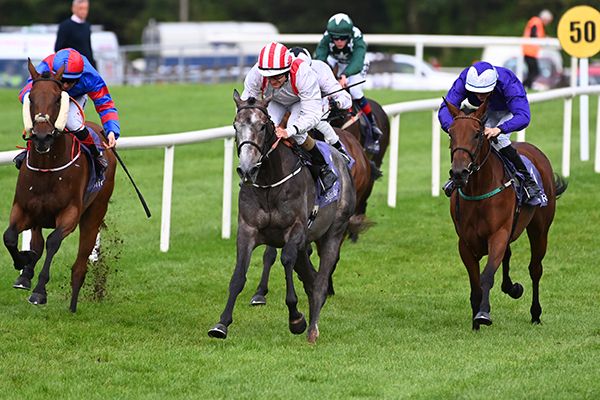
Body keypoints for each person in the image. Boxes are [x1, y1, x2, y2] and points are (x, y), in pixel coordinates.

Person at [438, 61, 543, 201]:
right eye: (476, 91)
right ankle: (457, 177)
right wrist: (454, 128)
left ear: (493, 85)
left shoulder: (508, 82)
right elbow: (445, 108)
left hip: (510, 110)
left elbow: (523, 117)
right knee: (470, 137)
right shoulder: (464, 79)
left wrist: (500, 129)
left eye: (484, 91)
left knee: (499, 139)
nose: (480, 95)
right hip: (487, 109)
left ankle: (528, 181)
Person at [241, 41, 337, 191]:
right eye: (269, 77)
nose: (273, 81)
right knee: (261, 129)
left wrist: (289, 130)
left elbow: (313, 115)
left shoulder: (303, 72)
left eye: (277, 77)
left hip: (299, 101)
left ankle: (323, 168)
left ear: (287, 70)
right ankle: (252, 169)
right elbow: (247, 105)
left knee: (297, 135)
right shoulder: (256, 73)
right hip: (275, 101)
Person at [17, 48, 119, 178]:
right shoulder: (46, 66)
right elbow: (27, 91)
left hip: (76, 96)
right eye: (63, 79)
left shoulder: (91, 77)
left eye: (70, 81)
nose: (65, 85)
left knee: (72, 122)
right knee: (40, 115)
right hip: (51, 94)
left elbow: (105, 104)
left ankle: (96, 156)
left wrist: (111, 131)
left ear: (80, 76)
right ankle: (28, 151)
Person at [314, 12, 383, 154]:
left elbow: (358, 60)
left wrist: (345, 75)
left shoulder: (357, 37)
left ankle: (373, 127)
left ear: (349, 36)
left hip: (355, 64)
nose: (339, 41)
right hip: (336, 60)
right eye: (335, 38)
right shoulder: (327, 36)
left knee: (356, 91)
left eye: (343, 38)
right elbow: (320, 56)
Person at [289, 47, 352, 163]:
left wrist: (337, 103)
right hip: (293, 106)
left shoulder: (321, 70)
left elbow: (346, 98)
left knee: (318, 122)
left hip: (317, 106)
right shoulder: (282, 74)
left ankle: (339, 150)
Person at [55, 0, 96, 68]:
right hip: (72, 69)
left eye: (86, 8)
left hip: (86, 67)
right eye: (81, 8)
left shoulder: (87, 26)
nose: (84, 11)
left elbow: (88, 48)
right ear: (73, 8)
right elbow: (58, 49)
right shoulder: (65, 26)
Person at [522, 9, 553, 90]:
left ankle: (526, 86)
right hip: (529, 51)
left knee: (532, 72)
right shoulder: (536, 21)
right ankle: (523, 86)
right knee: (534, 71)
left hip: (531, 51)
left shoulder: (538, 23)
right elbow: (534, 34)